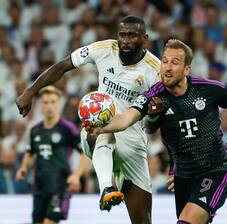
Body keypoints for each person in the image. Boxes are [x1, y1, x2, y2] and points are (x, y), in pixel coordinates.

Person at [86, 39, 227, 224]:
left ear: (186, 69)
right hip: (183, 176)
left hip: (215, 171)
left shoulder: (209, 89)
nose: (167, 67)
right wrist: (100, 126)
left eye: (174, 62)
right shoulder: (155, 95)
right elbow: (126, 119)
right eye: (164, 61)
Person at [16, 16, 160, 223]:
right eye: (122, 35)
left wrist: (154, 114)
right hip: (97, 129)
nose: (126, 40)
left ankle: (110, 188)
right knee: (101, 130)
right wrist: (31, 91)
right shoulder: (103, 49)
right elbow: (64, 65)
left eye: (132, 35)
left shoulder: (154, 70)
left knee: (143, 220)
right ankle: (106, 189)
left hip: (133, 143)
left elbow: (154, 125)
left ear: (144, 38)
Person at [16, 86, 87, 224]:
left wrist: (77, 175)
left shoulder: (67, 128)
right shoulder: (35, 130)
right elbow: (30, 152)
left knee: (50, 222)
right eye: (46, 102)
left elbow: (86, 153)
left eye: (53, 102)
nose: (50, 106)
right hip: (39, 185)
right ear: (40, 104)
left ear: (59, 103)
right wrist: (23, 168)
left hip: (60, 186)